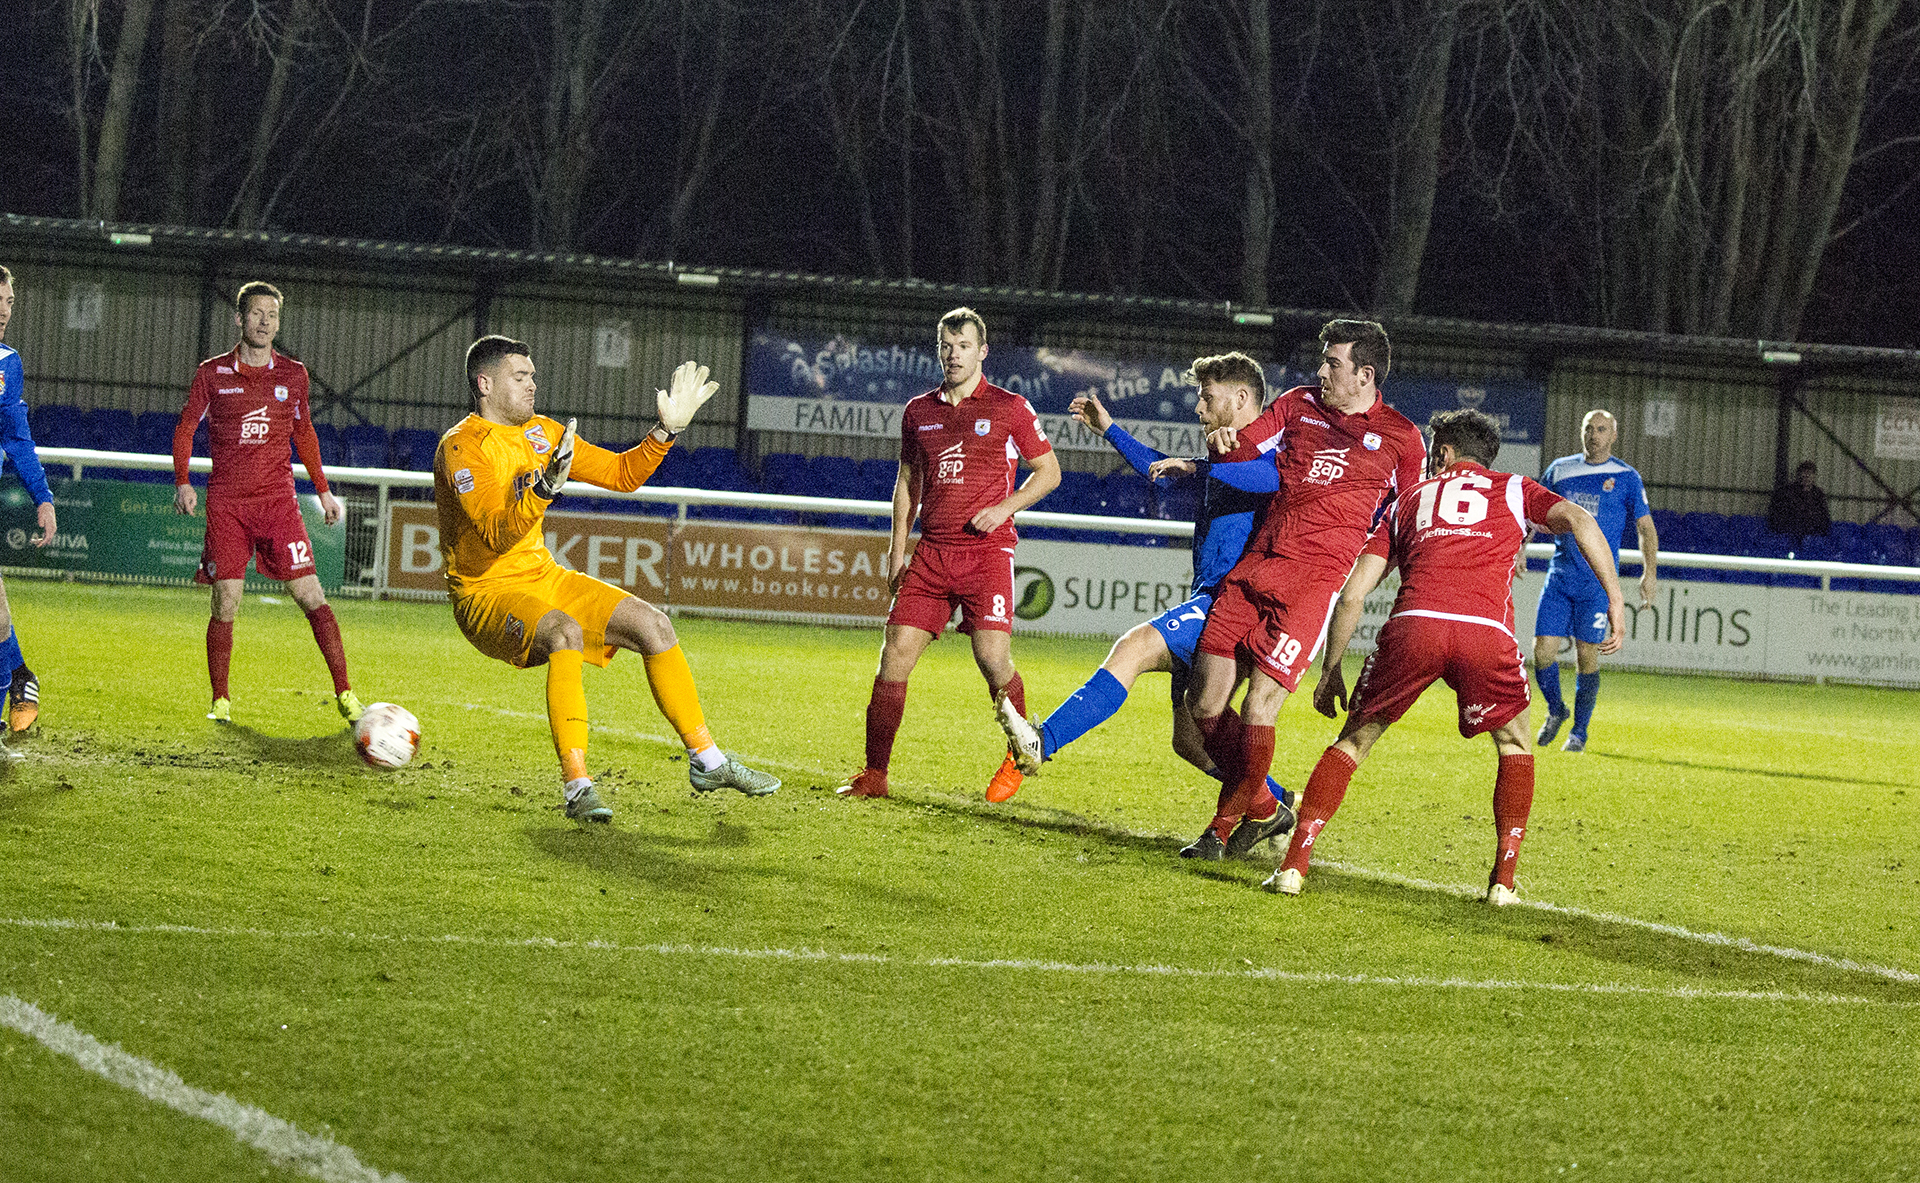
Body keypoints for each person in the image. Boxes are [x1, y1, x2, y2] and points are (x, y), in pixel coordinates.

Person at [1265, 409, 1625, 901]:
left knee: (1354, 740)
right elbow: (1581, 521)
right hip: (1484, 632)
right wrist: (1615, 597)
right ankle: (1503, 881)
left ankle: (1294, 866)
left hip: (1413, 628)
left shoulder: (1406, 500)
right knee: (1514, 744)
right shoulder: (1516, 489)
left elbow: (1353, 594)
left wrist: (1330, 670)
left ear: (1445, 452)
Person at [434, 335, 779, 822]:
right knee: (564, 633)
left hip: (543, 577)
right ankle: (577, 786)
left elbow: (622, 474)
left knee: (654, 625)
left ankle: (709, 761)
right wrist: (545, 489)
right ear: (485, 384)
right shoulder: (462, 447)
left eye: (533, 375)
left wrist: (665, 432)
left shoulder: (543, 432)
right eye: (521, 376)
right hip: (485, 594)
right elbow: (493, 532)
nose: (534, 384)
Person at [993, 351, 1293, 850]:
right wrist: (1110, 429)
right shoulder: (1225, 457)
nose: (1198, 407)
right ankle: (1275, 806)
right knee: (1190, 743)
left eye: (1207, 397)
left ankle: (1042, 741)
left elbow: (1265, 480)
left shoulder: (1267, 457)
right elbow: (1162, 469)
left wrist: (1202, 466)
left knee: (1133, 647)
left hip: (1231, 603)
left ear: (1242, 399)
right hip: (1208, 597)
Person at [1178, 319, 1428, 860]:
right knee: (1202, 703)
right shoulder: (1297, 403)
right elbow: (1247, 445)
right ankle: (1266, 808)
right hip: (1254, 569)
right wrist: (1224, 442)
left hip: (1311, 588)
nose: (1321, 371)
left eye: (1332, 363)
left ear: (1364, 374)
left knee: (1258, 707)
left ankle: (1220, 829)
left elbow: (1408, 515)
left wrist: (1393, 571)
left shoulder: (1403, 439)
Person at [837, 307, 1062, 800]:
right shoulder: (919, 411)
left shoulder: (1010, 407)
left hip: (987, 555)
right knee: (894, 656)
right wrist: (896, 554)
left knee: (992, 659)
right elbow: (907, 483)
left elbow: (1049, 472)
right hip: (932, 554)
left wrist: (1004, 508)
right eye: (946, 345)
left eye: (963, 345)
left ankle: (1018, 755)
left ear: (982, 351)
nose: (953, 354)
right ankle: (875, 776)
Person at [172, 281, 361, 725]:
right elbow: (185, 428)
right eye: (256, 314)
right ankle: (221, 700)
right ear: (239, 319)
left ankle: (346, 693)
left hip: (278, 504)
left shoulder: (293, 375)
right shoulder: (212, 373)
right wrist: (183, 480)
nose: (264, 322)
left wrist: (324, 490)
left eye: (271, 315)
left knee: (311, 594)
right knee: (226, 602)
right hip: (227, 506)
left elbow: (305, 433)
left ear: (278, 322)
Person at [1531, 409, 1657, 752]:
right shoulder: (1560, 469)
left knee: (1587, 656)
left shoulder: (1626, 477)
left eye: (1601, 429)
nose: (1594, 435)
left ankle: (1579, 734)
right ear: (1581, 431)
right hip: (1560, 576)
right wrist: (1518, 549)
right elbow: (1531, 511)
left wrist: (1650, 571)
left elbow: (1645, 527)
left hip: (1597, 585)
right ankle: (1556, 710)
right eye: (1589, 428)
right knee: (1542, 652)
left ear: (1613, 435)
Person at [0, 265, 58, 733]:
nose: (4, 312)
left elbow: (18, 438)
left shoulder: (6, 362)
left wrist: (43, 497)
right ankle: (19, 673)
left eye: (10, 302)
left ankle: (18, 675)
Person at [1767, 461, 1831, 548]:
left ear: (1814, 476)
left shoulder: (1818, 495)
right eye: (1804, 474)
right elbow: (1779, 515)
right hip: (1790, 532)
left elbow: (1824, 517)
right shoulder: (1787, 492)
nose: (1806, 477)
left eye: (1810, 474)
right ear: (1799, 475)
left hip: (1811, 534)